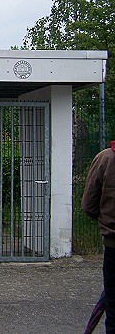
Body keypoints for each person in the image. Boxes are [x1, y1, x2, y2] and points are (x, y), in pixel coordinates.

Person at [82, 142, 115, 333]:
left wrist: (106, 220)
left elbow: (89, 205)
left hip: (113, 245)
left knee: (113, 308)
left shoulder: (105, 159)